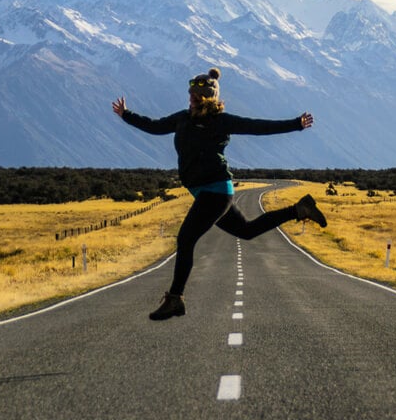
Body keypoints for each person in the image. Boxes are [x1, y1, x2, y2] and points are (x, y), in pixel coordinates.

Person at [112, 67, 327, 320]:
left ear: (207, 98)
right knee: (246, 231)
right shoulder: (183, 118)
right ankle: (299, 209)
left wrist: (295, 124)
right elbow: (155, 126)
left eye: (195, 96)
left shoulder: (221, 121)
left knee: (185, 240)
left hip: (215, 192)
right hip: (206, 193)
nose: (190, 98)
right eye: (190, 94)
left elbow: (257, 127)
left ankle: (175, 299)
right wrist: (126, 115)